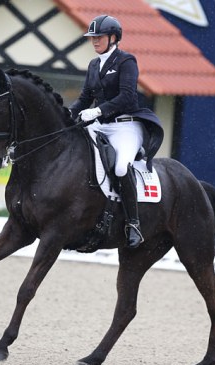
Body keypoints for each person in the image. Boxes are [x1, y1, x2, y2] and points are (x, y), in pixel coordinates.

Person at [70, 15, 164, 249]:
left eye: (98, 37)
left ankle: (133, 223)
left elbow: (127, 96)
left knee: (121, 166)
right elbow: (84, 99)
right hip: (101, 125)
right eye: (92, 37)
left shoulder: (126, 61)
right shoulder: (94, 65)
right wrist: (67, 115)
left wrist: (98, 111)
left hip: (126, 125)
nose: (94, 41)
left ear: (113, 38)